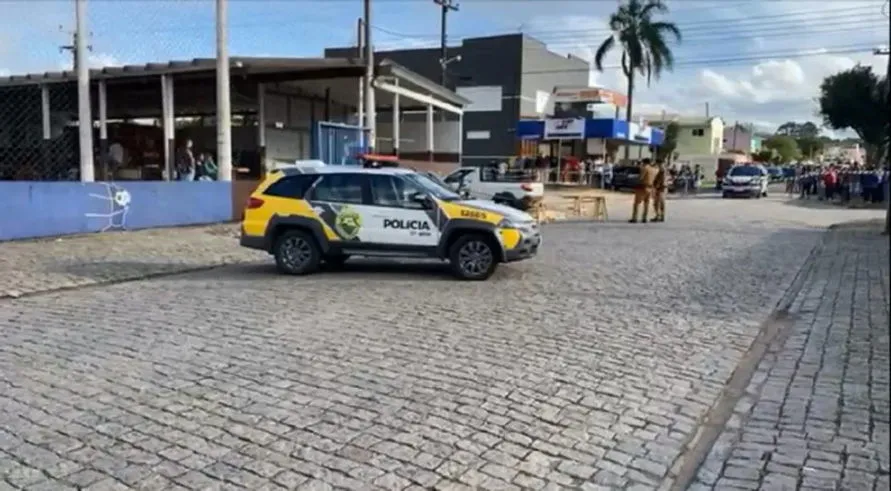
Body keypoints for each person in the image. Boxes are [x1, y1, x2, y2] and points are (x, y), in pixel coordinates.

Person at [630, 158, 657, 223]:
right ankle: (644, 218)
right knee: (646, 203)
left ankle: (635, 218)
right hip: (650, 187)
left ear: (644, 162)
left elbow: (641, 178)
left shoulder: (645, 168)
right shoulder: (653, 169)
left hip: (643, 187)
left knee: (637, 203)